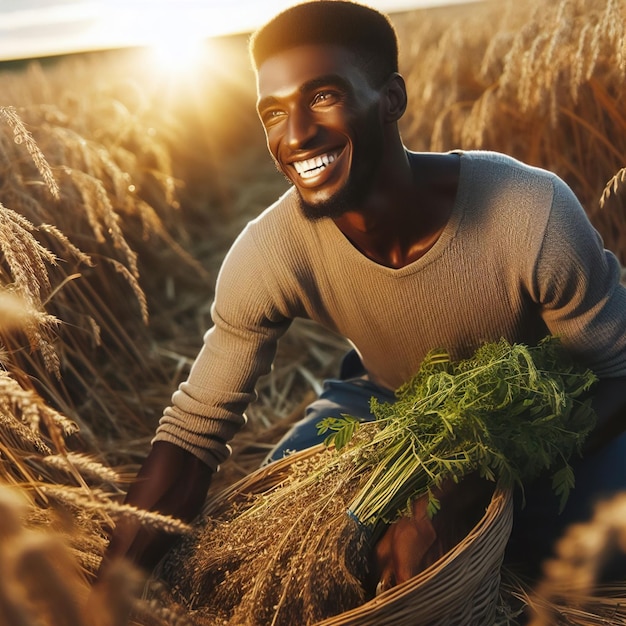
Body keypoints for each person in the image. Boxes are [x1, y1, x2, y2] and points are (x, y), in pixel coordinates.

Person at [102, 0, 626, 587]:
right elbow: (192, 435)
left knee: (584, 554)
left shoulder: (529, 211)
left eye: (323, 96)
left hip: (542, 406)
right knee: (285, 546)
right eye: (274, 112)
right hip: (384, 404)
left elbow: (615, 374)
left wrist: (474, 475)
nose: (296, 135)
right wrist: (100, 598)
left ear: (392, 101)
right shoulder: (270, 251)